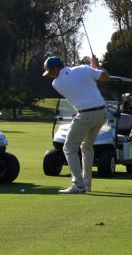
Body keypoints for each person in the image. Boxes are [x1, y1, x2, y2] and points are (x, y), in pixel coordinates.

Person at [43, 55, 110, 194]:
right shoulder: (84, 68)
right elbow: (105, 77)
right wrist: (96, 67)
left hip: (86, 114)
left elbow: (75, 82)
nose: (50, 76)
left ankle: (79, 186)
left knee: (68, 148)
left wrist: (92, 70)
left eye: (50, 72)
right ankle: (87, 185)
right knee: (86, 146)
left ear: (56, 68)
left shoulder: (57, 83)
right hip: (102, 113)